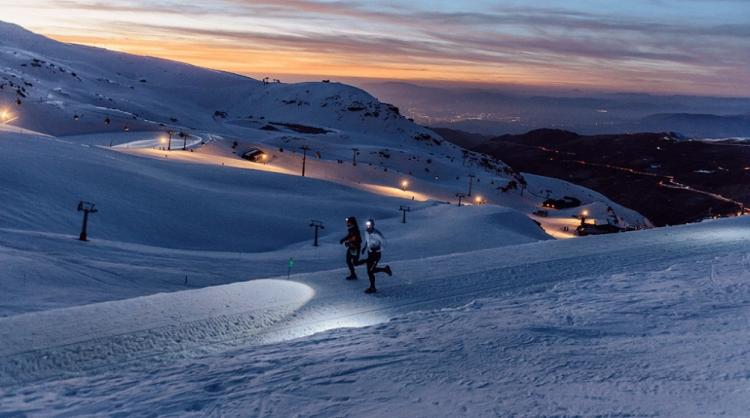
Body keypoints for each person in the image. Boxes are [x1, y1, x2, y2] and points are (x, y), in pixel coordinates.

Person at [357, 218, 392, 293]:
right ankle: (373, 287)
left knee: (371, 271)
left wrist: (378, 250)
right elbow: (367, 241)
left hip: (376, 254)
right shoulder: (366, 232)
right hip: (370, 253)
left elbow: (384, 243)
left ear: (373, 225)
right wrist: (364, 248)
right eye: (367, 225)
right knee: (369, 271)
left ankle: (384, 270)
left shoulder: (377, 234)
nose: (368, 226)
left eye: (370, 225)